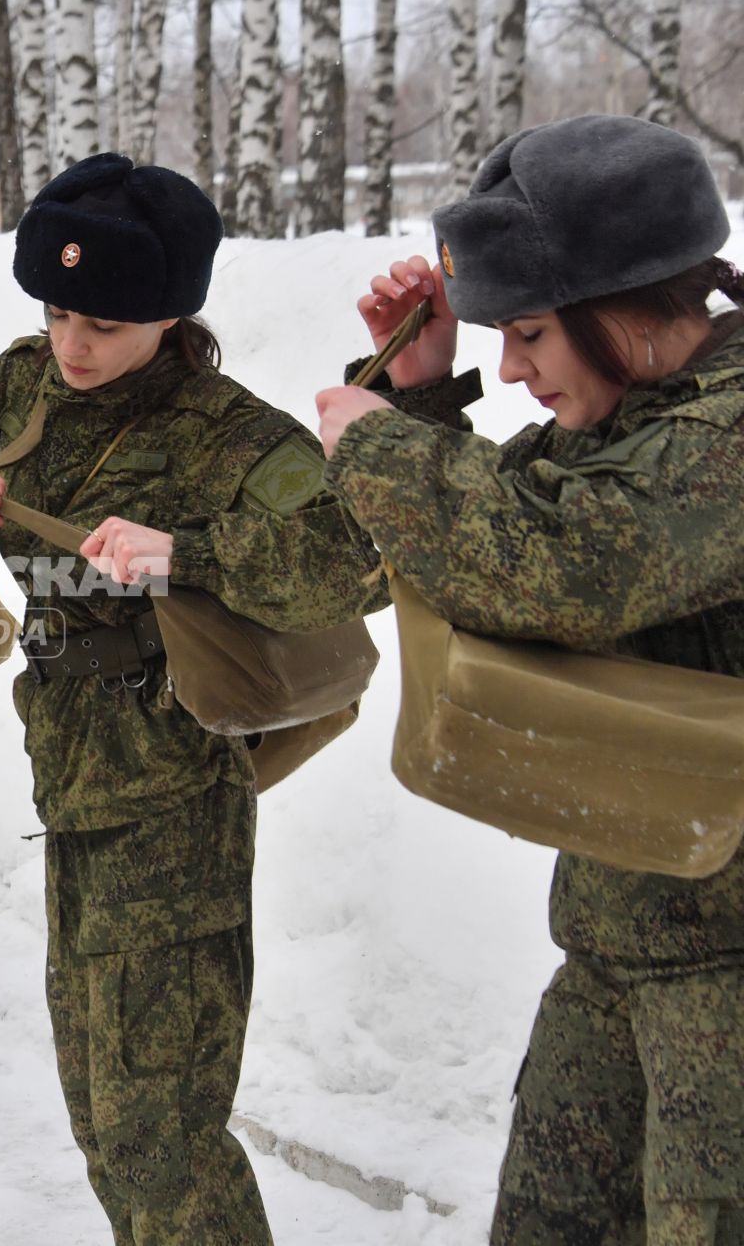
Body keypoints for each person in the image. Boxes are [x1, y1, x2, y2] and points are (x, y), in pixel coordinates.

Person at [0, 154, 385, 1244]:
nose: (73, 344)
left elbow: (363, 558)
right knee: (104, 1119)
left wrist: (188, 554)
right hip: (73, 782)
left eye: (103, 322)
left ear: (167, 313)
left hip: (176, 799)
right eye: (59, 310)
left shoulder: (227, 433)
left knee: (162, 1129)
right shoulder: (21, 387)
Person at [314, 114, 744, 1245]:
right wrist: (418, 397)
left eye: (534, 333)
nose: (511, 369)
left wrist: (381, 447)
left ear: (632, 305)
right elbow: (403, 565)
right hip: (618, 935)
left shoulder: (726, 439)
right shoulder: (626, 424)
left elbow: (558, 564)